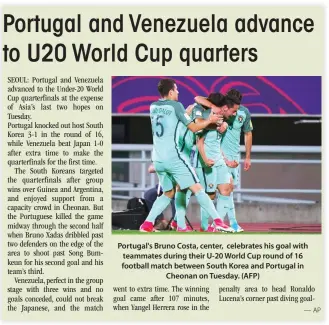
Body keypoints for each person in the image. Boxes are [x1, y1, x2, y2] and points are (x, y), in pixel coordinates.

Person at [139, 78, 233, 233]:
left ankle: (148, 224)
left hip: (158, 158)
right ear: (170, 92)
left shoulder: (153, 106)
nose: (178, 92)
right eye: (176, 90)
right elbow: (195, 127)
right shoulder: (176, 106)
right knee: (198, 189)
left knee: (168, 193)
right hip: (174, 158)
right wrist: (209, 119)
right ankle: (218, 221)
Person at [195, 89, 253, 232]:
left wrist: (246, 157)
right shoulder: (214, 112)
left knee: (227, 189)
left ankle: (220, 224)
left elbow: (248, 133)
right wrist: (213, 107)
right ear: (226, 106)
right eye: (233, 110)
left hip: (227, 158)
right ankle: (204, 225)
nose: (234, 114)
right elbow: (198, 98)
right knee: (210, 193)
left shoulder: (241, 113)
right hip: (213, 158)